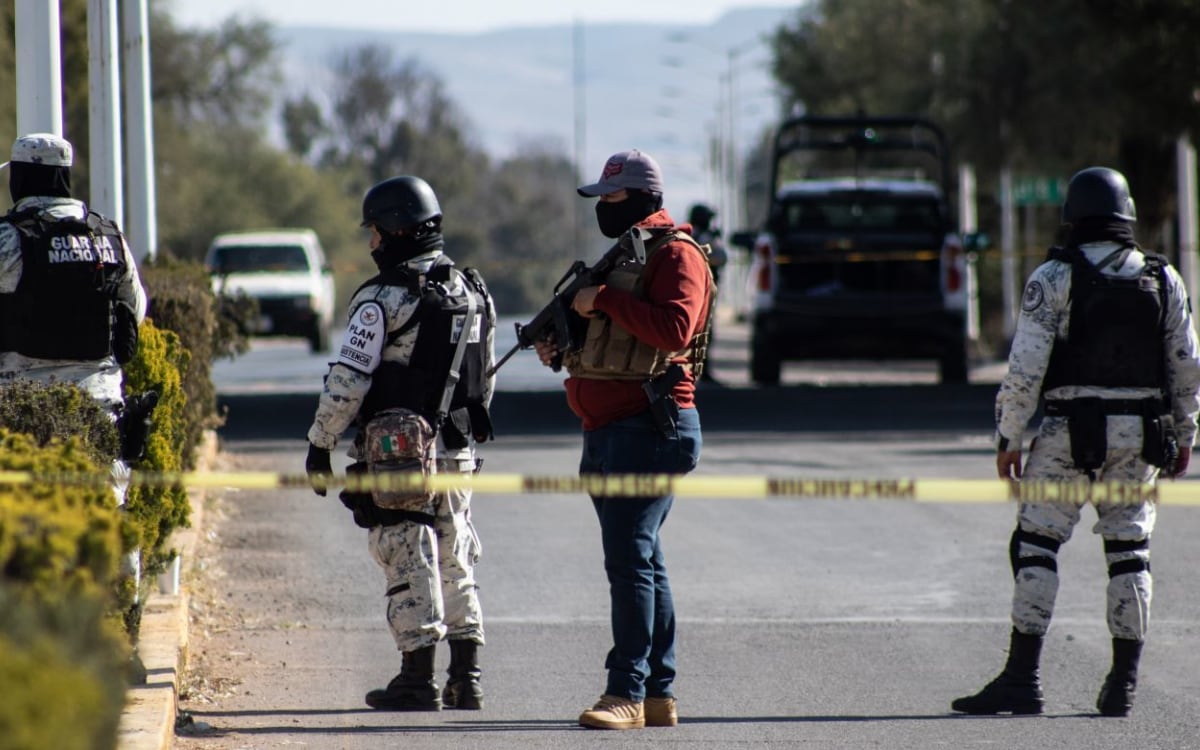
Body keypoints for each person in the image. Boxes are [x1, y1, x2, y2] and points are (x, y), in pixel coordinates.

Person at [951, 166, 1200, 717]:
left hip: (1068, 432)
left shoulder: (1054, 276)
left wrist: (1009, 437)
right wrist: (1185, 433)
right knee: (1130, 555)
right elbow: (1186, 367)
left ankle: (1022, 680)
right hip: (1140, 437)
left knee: (1036, 545)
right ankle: (1123, 685)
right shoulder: (1165, 279)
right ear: (1127, 215)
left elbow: (1025, 368)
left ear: (1074, 216)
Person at [534, 149, 716, 730]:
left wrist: (604, 300)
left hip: (650, 427)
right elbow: (608, 337)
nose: (604, 210)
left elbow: (675, 328)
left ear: (642, 198)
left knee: (629, 561)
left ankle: (627, 692)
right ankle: (659, 695)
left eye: (611, 199)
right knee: (643, 560)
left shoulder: (678, 256)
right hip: (607, 429)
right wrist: (563, 346)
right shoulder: (621, 257)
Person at [304, 175, 496, 712]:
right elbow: (482, 381)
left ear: (396, 231)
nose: (372, 245)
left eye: (375, 233)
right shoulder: (474, 289)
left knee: (408, 558)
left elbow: (348, 379)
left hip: (397, 455)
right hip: (455, 448)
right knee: (455, 552)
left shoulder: (379, 298)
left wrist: (320, 442)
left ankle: (416, 679)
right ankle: (467, 676)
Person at [0, 132, 148, 477]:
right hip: (99, 409)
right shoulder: (110, 238)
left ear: (19, 178)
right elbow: (135, 312)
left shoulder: (8, 240)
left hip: (20, 411)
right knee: (101, 517)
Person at [685, 203, 728, 384]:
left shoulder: (689, 234)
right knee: (699, 332)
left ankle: (699, 369)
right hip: (698, 291)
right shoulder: (698, 236)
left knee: (701, 331)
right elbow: (720, 257)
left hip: (698, 290)